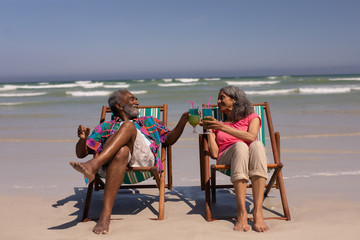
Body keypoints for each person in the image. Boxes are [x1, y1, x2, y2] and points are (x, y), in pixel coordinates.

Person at [70, 89, 188, 234]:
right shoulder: (104, 127)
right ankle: (105, 216)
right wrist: (82, 140)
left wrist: (182, 121)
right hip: (113, 164)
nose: (137, 102)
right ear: (119, 106)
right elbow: (81, 154)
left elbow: (168, 139)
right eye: (132, 99)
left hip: (143, 161)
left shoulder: (148, 121)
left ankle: (93, 165)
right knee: (122, 151)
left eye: (136, 99)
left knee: (128, 126)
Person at [202, 86, 270, 232]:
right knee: (240, 146)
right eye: (218, 98)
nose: (218, 101)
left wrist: (222, 127)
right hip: (226, 157)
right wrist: (209, 131)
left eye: (222, 97)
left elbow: (251, 137)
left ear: (234, 100)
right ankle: (241, 212)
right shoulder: (216, 125)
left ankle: (258, 213)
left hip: (250, 158)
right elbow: (214, 154)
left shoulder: (252, 117)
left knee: (257, 145)